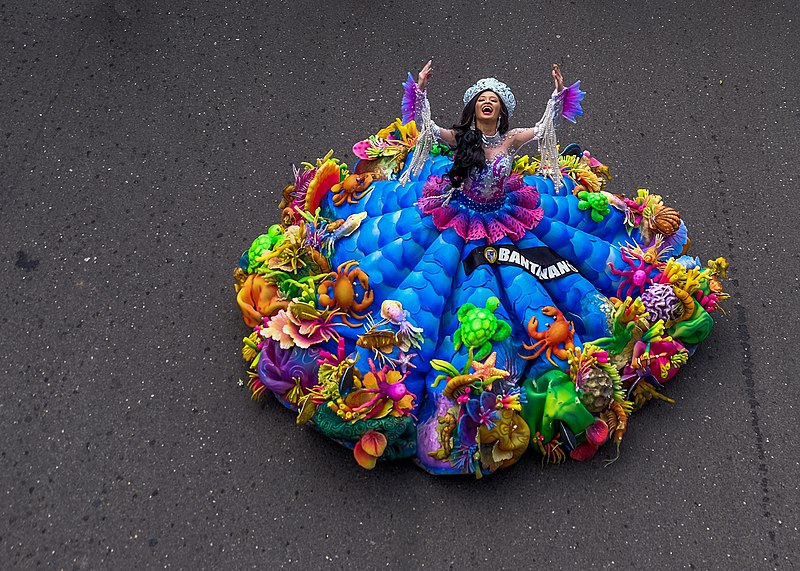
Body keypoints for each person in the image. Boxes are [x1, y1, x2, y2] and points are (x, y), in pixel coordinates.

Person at [234, 61, 728, 476]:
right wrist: (421, 95)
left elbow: (544, 130)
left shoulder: (510, 139)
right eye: (481, 99)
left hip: (511, 218)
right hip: (454, 217)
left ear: (501, 109)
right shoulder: (460, 139)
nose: (488, 104)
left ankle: (568, 350)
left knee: (564, 261)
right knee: (413, 271)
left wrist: (557, 100)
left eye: (494, 99)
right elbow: (429, 132)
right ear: (472, 108)